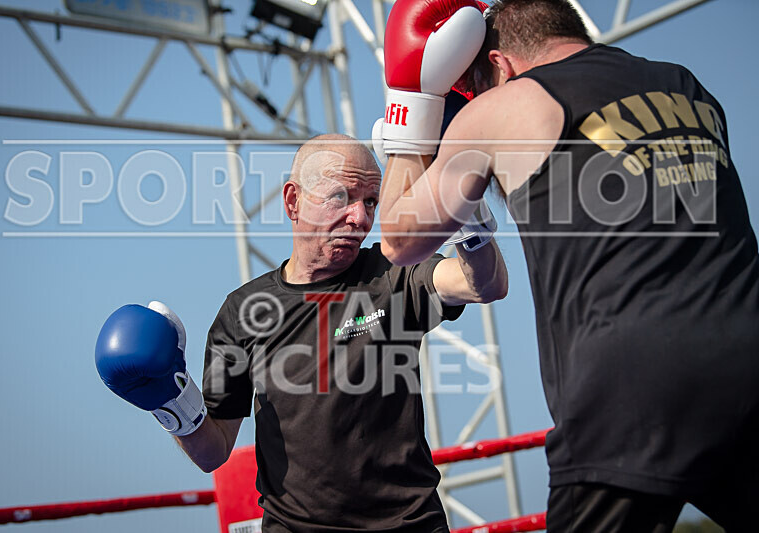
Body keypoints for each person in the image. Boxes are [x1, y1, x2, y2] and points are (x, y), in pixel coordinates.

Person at [375, 0, 759, 531]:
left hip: (626, 389)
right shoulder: (688, 87)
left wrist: (411, 101)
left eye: (480, 82)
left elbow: (398, 239)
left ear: (501, 65)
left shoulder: (506, 104)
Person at [94, 134, 508, 532]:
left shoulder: (391, 274)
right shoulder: (243, 312)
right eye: (342, 198)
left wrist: (466, 214)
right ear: (294, 201)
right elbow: (213, 451)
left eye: (371, 202)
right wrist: (169, 400)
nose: (361, 217)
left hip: (408, 525)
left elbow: (483, 284)